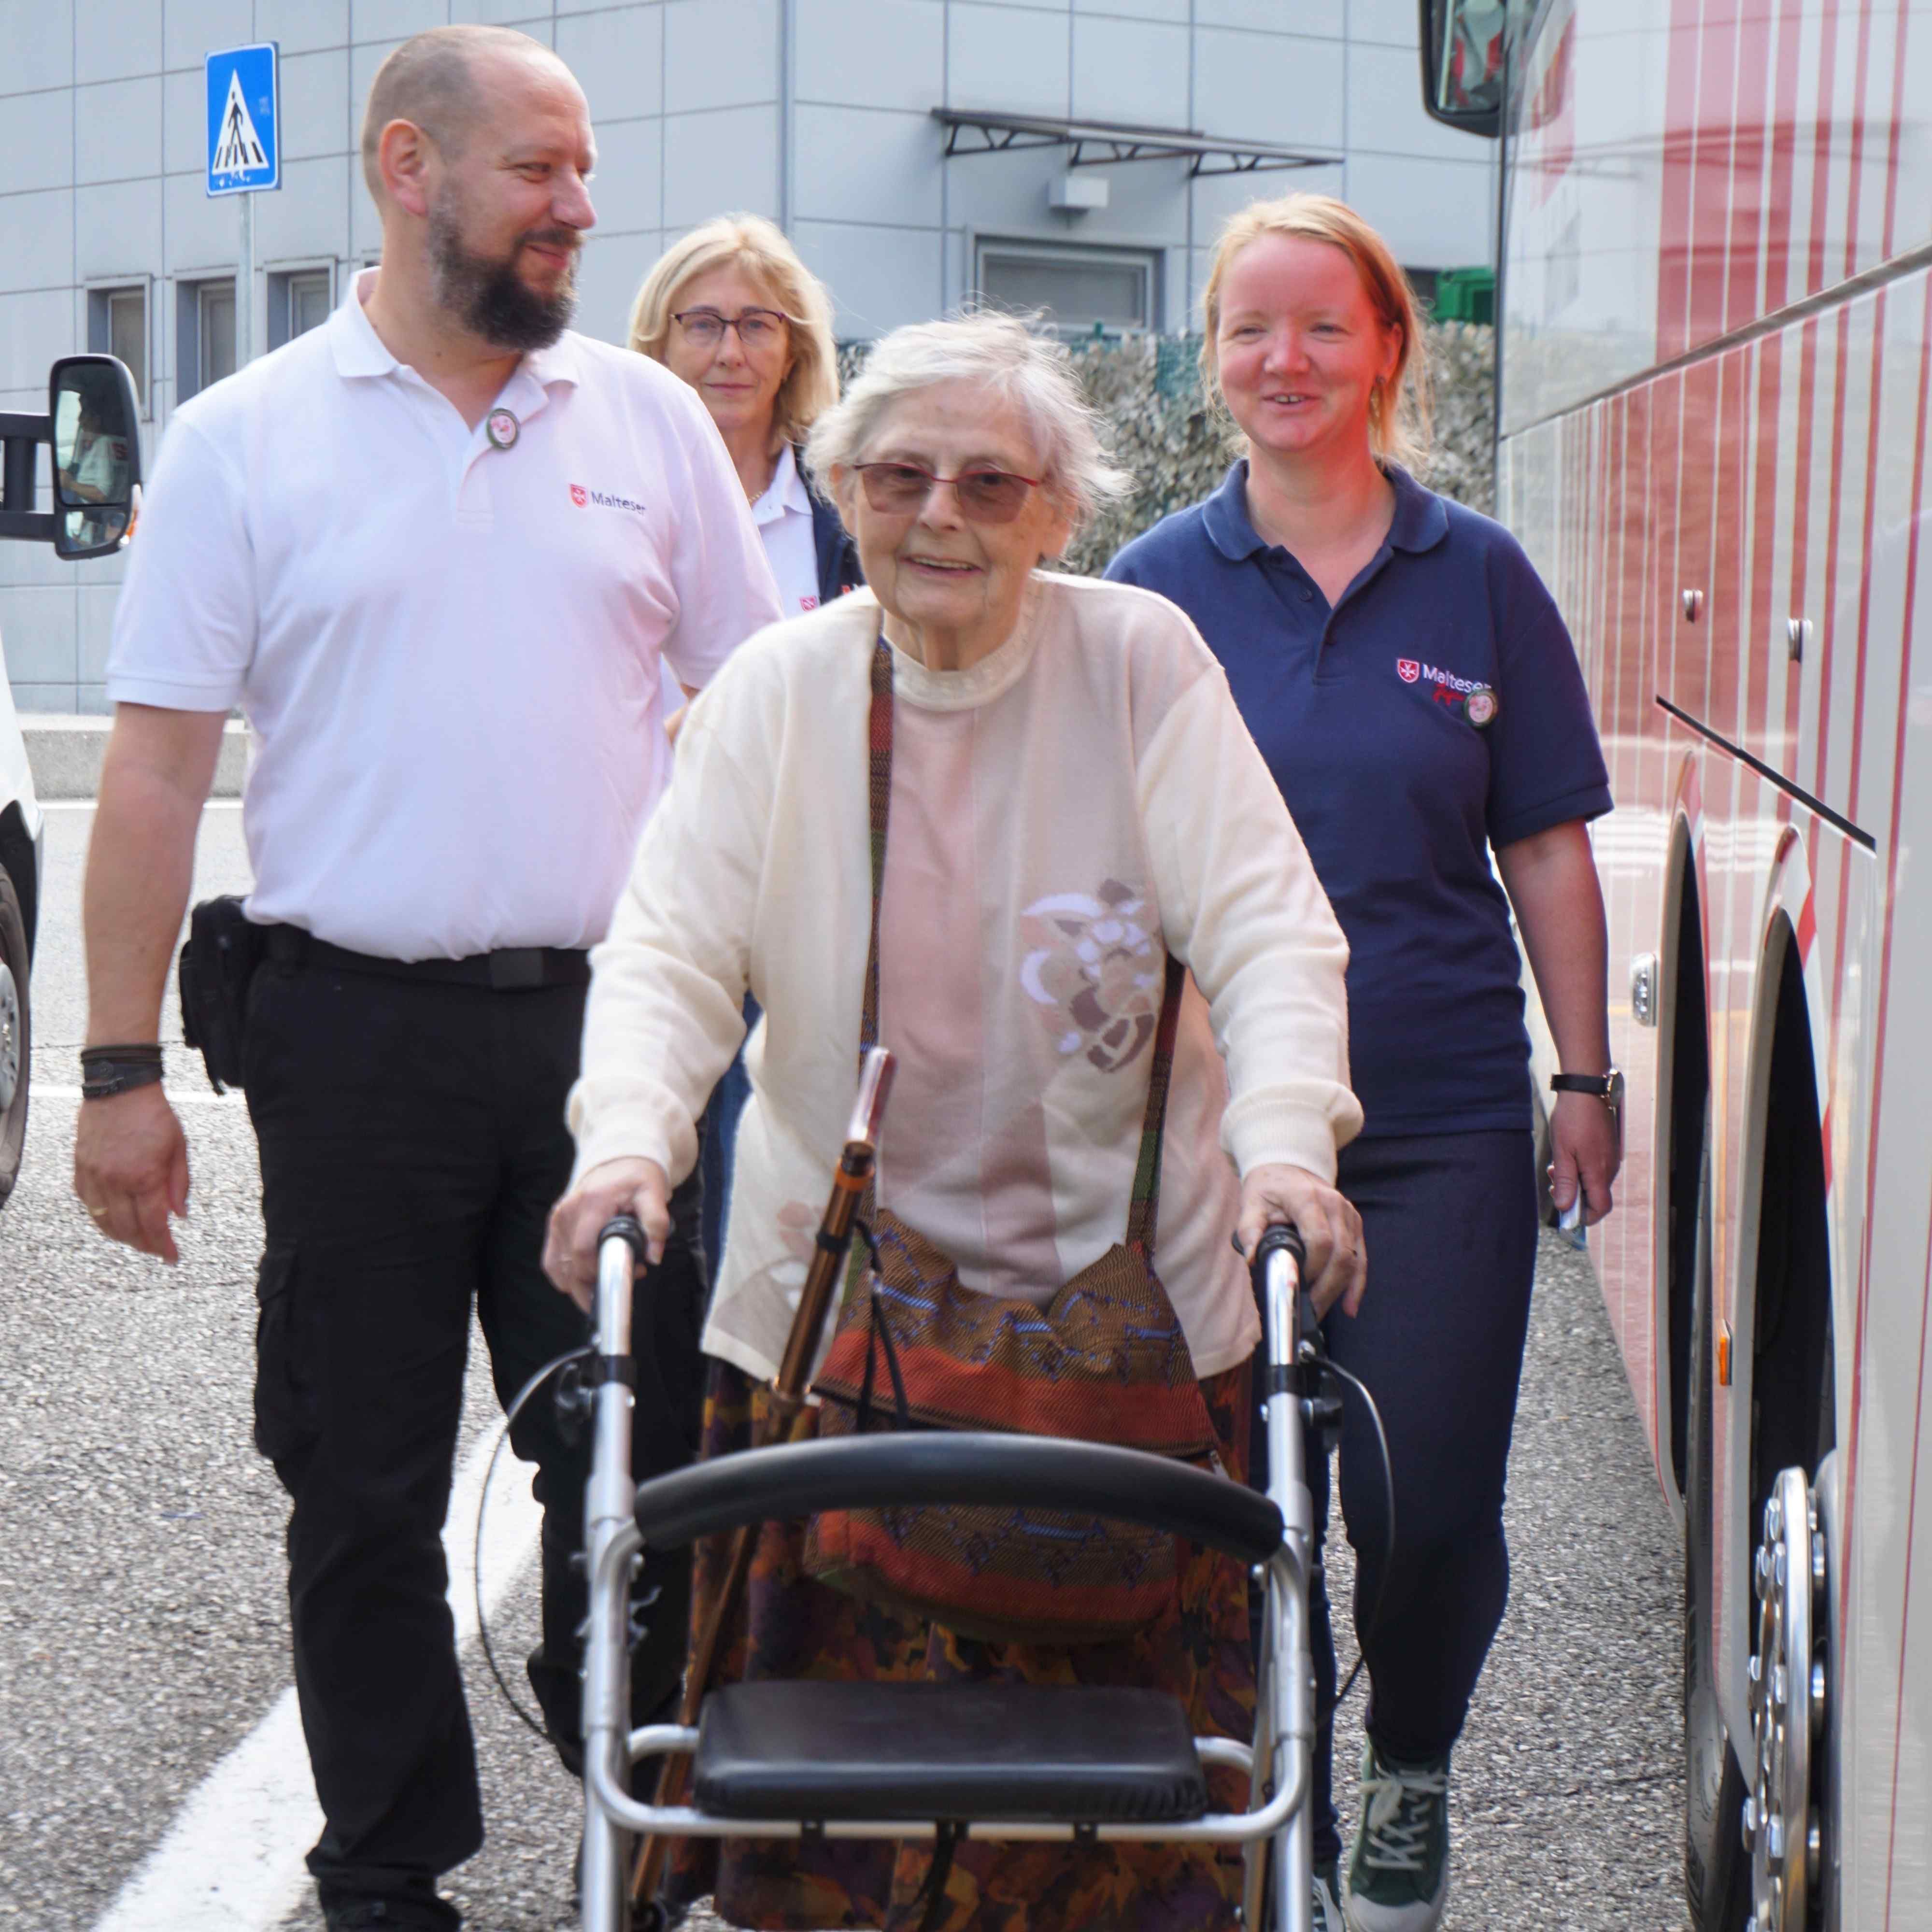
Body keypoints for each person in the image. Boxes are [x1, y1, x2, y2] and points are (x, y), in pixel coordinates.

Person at [71, 26, 781, 1932]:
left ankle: (630, 1807)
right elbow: (152, 769)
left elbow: (767, 715)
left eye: (583, 169)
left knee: (627, 1456)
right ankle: (386, 1868)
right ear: (408, 167)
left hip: (611, 1043)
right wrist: (116, 1067)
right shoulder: (246, 441)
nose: (581, 207)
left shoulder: (640, 427)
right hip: (351, 1038)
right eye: (542, 170)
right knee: (361, 1481)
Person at [543, 310, 1367, 1932]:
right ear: (843, 489)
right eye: (903, 476)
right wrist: (630, 1140)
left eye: (992, 485)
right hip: (832, 1338)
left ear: (1059, 512)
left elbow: (1272, 931)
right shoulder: (780, 688)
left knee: (1134, 1852)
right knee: (834, 1844)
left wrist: (1286, 1148)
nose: (942, 518)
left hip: (1133, 1340)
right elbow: (669, 954)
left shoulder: (1139, 662)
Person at [1107, 193, 1620, 1932]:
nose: (1286, 360)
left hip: (1439, 1113)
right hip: (1204, 1125)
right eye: (1252, 328)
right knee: (1229, 1496)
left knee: (1412, 1494)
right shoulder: (1152, 592)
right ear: (1213, 357)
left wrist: (1586, 1077)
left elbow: (1546, 841)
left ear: (1389, 347)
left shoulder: (1475, 577)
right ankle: (1275, 1800)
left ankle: (1406, 1767)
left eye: (1324, 326)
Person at [626, 213, 861, 1275]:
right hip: (647, 887)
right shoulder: (613, 494)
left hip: (805, 897)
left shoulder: (849, 510)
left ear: (795, 347)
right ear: (659, 342)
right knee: (642, 1179)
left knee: (779, 1185)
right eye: (703, 323)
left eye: (756, 325)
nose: (729, 351)